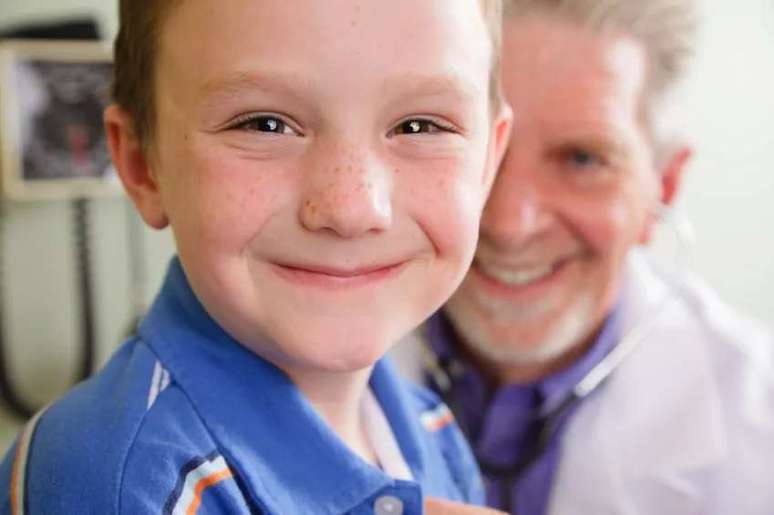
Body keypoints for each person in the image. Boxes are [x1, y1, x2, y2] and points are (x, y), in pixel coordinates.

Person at [0, 0, 513, 513]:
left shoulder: (433, 430)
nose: (351, 209)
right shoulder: (115, 480)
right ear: (141, 164)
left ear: (488, 161)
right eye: (265, 125)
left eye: (420, 126)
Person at [392, 0, 774, 513]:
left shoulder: (760, 430)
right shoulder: (306, 354)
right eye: (476, 145)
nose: (509, 224)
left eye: (582, 159)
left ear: (664, 184)